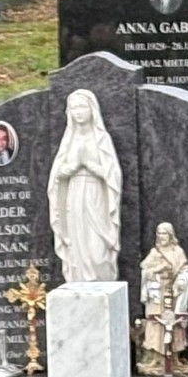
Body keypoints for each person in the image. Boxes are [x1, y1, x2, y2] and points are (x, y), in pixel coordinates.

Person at [47, 87, 121, 284]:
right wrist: (67, 171)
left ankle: (100, 277)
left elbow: (113, 175)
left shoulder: (101, 139)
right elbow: (57, 176)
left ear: (92, 109)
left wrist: (88, 164)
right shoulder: (68, 140)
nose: (78, 111)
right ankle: (78, 278)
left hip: (96, 194)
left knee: (97, 246)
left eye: (82, 107)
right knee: (76, 241)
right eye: (73, 108)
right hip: (73, 194)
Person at [135, 221, 188, 375]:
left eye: (164, 233)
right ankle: (156, 358)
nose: (161, 237)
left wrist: (181, 280)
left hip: (173, 292)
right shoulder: (155, 252)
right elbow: (144, 269)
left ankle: (174, 357)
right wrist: (157, 270)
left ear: (170, 235)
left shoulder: (177, 252)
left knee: (174, 323)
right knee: (155, 322)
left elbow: (185, 269)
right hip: (157, 294)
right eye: (159, 233)